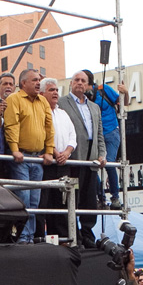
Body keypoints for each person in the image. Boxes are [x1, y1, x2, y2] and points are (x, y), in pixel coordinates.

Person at [3, 69, 54, 243]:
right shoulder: (14, 99)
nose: (38, 83)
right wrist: (15, 148)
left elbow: (49, 128)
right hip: (22, 157)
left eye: (39, 80)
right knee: (23, 200)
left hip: (37, 158)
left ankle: (29, 236)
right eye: (34, 80)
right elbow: (11, 125)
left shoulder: (43, 102)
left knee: (35, 200)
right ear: (23, 83)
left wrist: (49, 151)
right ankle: (21, 236)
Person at [58, 70, 106, 249]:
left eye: (83, 81)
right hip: (73, 160)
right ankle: (74, 234)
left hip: (91, 162)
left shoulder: (94, 107)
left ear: (87, 85)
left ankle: (87, 233)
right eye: (76, 80)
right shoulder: (62, 102)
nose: (79, 83)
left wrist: (102, 154)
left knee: (89, 200)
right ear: (71, 83)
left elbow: (99, 134)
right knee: (73, 198)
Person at [35, 78, 76, 239]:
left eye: (57, 90)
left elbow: (73, 136)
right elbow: (41, 134)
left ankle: (62, 238)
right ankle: (40, 238)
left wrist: (66, 152)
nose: (55, 93)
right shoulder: (39, 111)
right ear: (42, 93)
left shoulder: (63, 113)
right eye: (51, 90)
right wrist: (54, 152)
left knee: (62, 202)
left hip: (63, 163)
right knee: (43, 202)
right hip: (48, 163)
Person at [82, 70, 129, 210]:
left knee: (109, 163)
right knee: (91, 166)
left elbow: (124, 103)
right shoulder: (82, 98)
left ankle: (115, 197)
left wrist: (125, 92)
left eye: (85, 83)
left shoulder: (104, 89)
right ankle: (100, 196)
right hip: (95, 135)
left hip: (111, 132)